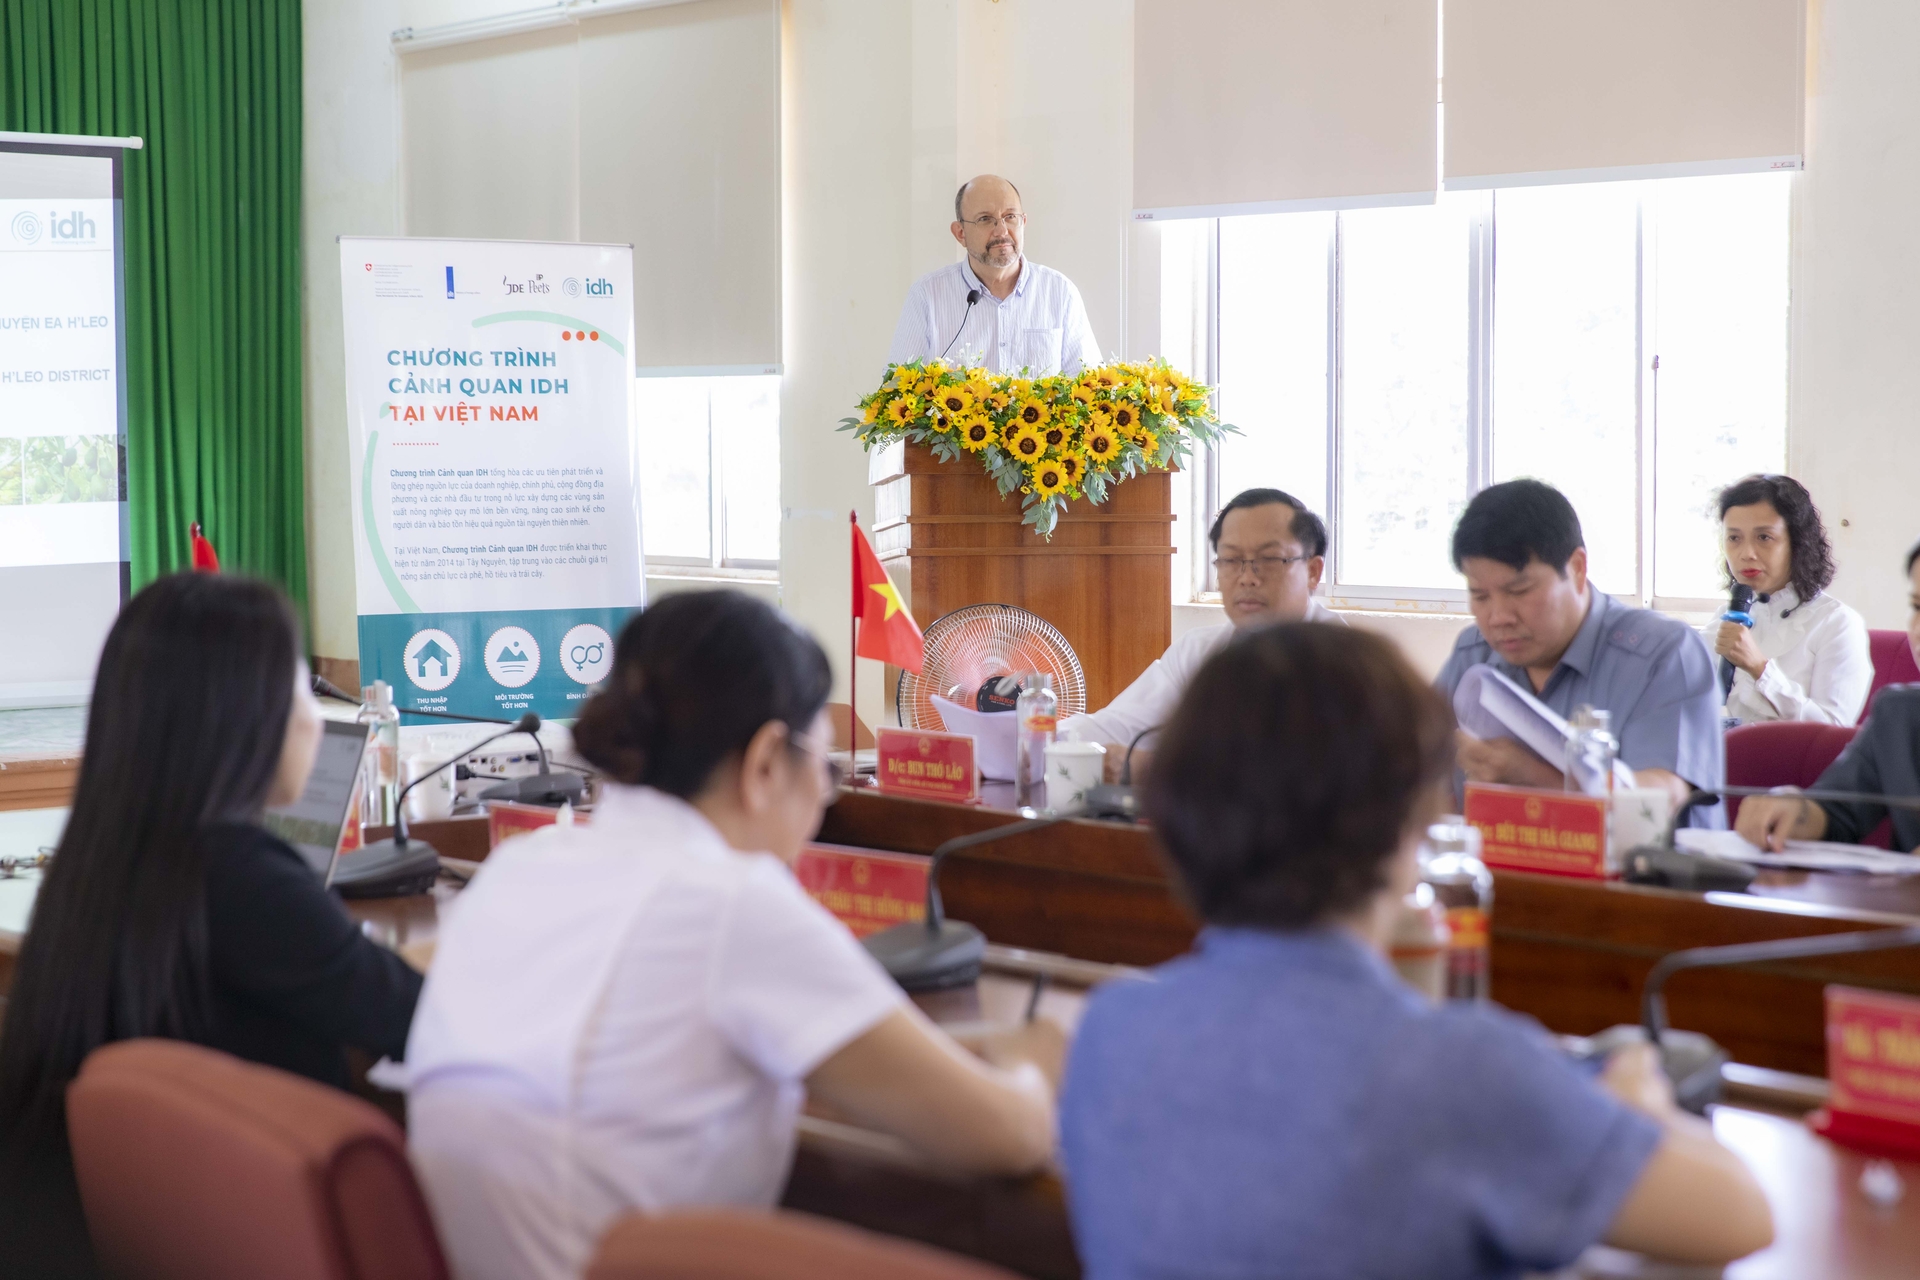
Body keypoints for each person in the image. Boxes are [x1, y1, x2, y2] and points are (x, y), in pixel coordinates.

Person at [1060, 623, 1774, 1279]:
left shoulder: (1108, 1031)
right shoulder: (1461, 1069)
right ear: (1411, 823)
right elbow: (1740, 1216)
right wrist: (1639, 1097)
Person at [404, 590, 1059, 1280]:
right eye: (825, 768)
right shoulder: (730, 902)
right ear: (768, 762)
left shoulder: (523, 867)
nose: (822, 798)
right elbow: (1006, 1138)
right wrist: (1036, 1063)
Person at [0, 574, 424, 1279]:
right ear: (244, 713)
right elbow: (416, 1017)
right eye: (299, 691)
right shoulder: (237, 873)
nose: (316, 721)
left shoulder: (104, 854)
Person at [1435, 479, 1722, 818]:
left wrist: (1534, 778)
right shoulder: (1473, 655)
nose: (1498, 617)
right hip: (1496, 869)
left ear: (1576, 568)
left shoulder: (1663, 654)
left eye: (1519, 591)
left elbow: (1662, 800)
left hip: (1638, 871)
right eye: (1480, 596)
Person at [1069, 488, 1343, 774]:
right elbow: (1116, 726)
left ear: (1313, 571)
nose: (1247, 577)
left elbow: (1297, 775)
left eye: (1269, 560)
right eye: (1231, 560)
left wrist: (1158, 770)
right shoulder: (1198, 650)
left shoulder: (1343, 661)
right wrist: (1031, 737)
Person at [1738, 540, 1920, 853]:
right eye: (1917, 606)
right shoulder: (1899, 714)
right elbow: (1837, 811)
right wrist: (1795, 810)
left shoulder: (1836, 620)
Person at [888, 174, 1102, 376]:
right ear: (960, 233)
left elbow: (1090, 387)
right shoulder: (927, 295)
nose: (1001, 231)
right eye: (985, 219)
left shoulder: (1059, 292)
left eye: (1010, 217)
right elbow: (897, 391)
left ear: (1023, 222)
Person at [1710, 474, 1870, 726]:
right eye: (1734, 538)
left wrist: (1760, 669)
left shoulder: (1837, 623)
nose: (1746, 554)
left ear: (1798, 543)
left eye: (1764, 537)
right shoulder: (1722, 620)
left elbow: (1833, 730)